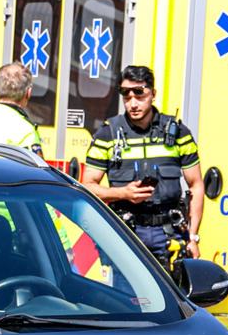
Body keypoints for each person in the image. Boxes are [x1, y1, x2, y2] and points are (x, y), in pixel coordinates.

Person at [82, 65, 203, 264]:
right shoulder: (107, 135)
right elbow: (87, 186)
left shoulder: (178, 133)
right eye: (126, 96)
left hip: (169, 234)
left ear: (153, 94)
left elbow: (196, 185)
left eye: (139, 94)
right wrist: (123, 193)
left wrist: (193, 237)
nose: (133, 104)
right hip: (126, 233)